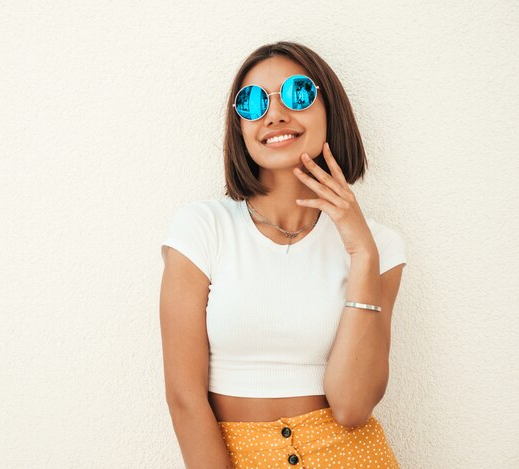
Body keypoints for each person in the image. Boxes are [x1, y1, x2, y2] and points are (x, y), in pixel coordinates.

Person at [159, 41, 406, 468]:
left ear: (330, 109)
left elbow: (351, 406)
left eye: (297, 93)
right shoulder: (202, 228)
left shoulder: (379, 246)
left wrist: (362, 253)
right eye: (252, 103)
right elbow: (184, 398)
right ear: (239, 127)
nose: (274, 114)